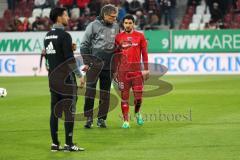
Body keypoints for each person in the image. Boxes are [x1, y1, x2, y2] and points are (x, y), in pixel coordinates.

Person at [44, 7, 85, 152]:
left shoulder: (47, 36)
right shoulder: (65, 36)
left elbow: (49, 59)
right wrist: (80, 76)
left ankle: (55, 144)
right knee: (69, 111)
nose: (68, 17)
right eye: (66, 15)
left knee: (54, 112)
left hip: (53, 79)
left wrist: (69, 48)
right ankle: (69, 144)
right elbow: (69, 59)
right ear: (59, 17)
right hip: (66, 79)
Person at [80, 4, 119, 128]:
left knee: (105, 93)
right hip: (94, 65)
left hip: (109, 66)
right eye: (112, 17)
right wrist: (87, 62)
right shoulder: (92, 26)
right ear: (105, 15)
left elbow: (117, 48)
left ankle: (102, 119)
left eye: (115, 17)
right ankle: (88, 118)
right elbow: (84, 45)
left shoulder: (116, 27)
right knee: (90, 92)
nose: (114, 19)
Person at [114, 14, 149, 129]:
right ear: (123, 24)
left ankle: (137, 112)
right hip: (123, 73)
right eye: (126, 23)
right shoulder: (118, 37)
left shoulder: (140, 36)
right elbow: (115, 55)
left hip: (136, 72)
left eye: (130, 23)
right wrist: (115, 71)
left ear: (133, 24)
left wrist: (146, 69)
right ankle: (126, 121)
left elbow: (144, 53)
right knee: (124, 97)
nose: (128, 25)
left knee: (138, 98)